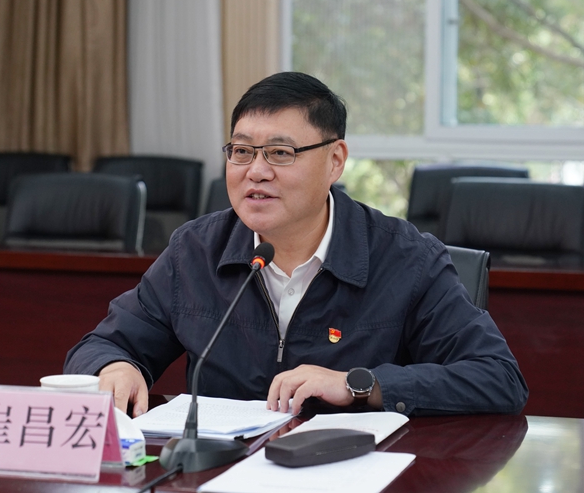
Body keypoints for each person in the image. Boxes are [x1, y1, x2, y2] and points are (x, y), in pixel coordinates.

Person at [64, 72, 528, 418]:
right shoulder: (196, 250)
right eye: (241, 151)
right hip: (221, 474)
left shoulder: (406, 258)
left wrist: (359, 385)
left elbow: (498, 377)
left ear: (335, 161)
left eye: (280, 153)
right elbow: (100, 345)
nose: (256, 171)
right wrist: (114, 367)